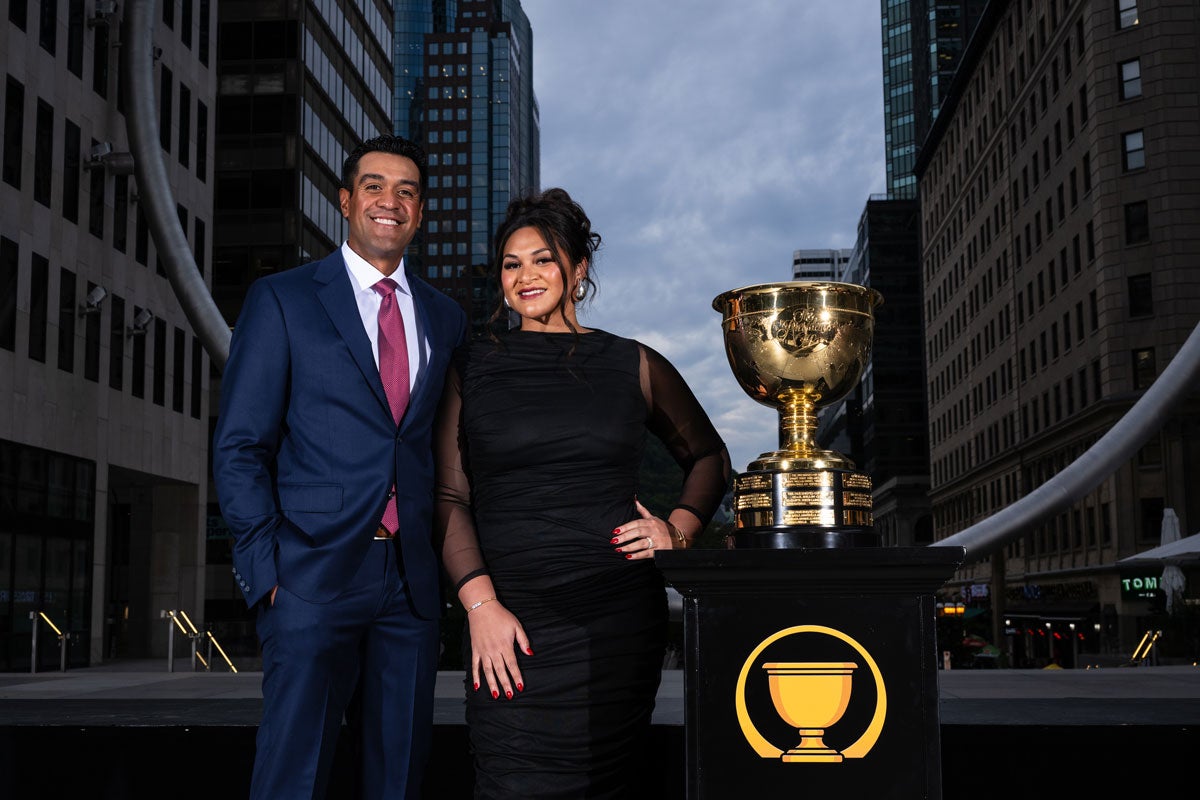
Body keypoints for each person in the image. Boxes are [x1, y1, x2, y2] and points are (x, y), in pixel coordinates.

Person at [434, 187, 732, 798]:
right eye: (512, 264)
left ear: (579, 270)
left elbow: (709, 457)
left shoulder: (634, 364)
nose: (526, 275)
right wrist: (480, 607)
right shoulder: (472, 367)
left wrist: (676, 529)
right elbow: (448, 498)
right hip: (507, 628)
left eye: (543, 259)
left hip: (616, 625)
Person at [212, 134, 467, 800]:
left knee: (398, 777)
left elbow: (445, 450)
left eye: (407, 191)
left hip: (410, 585)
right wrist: (267, 571)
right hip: (309, 576)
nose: (392, 201)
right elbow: (241, 445)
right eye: (376, 186)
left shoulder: (446, 318)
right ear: (346, 200)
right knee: (293, 775)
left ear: (420, 211)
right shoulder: (283, 299)